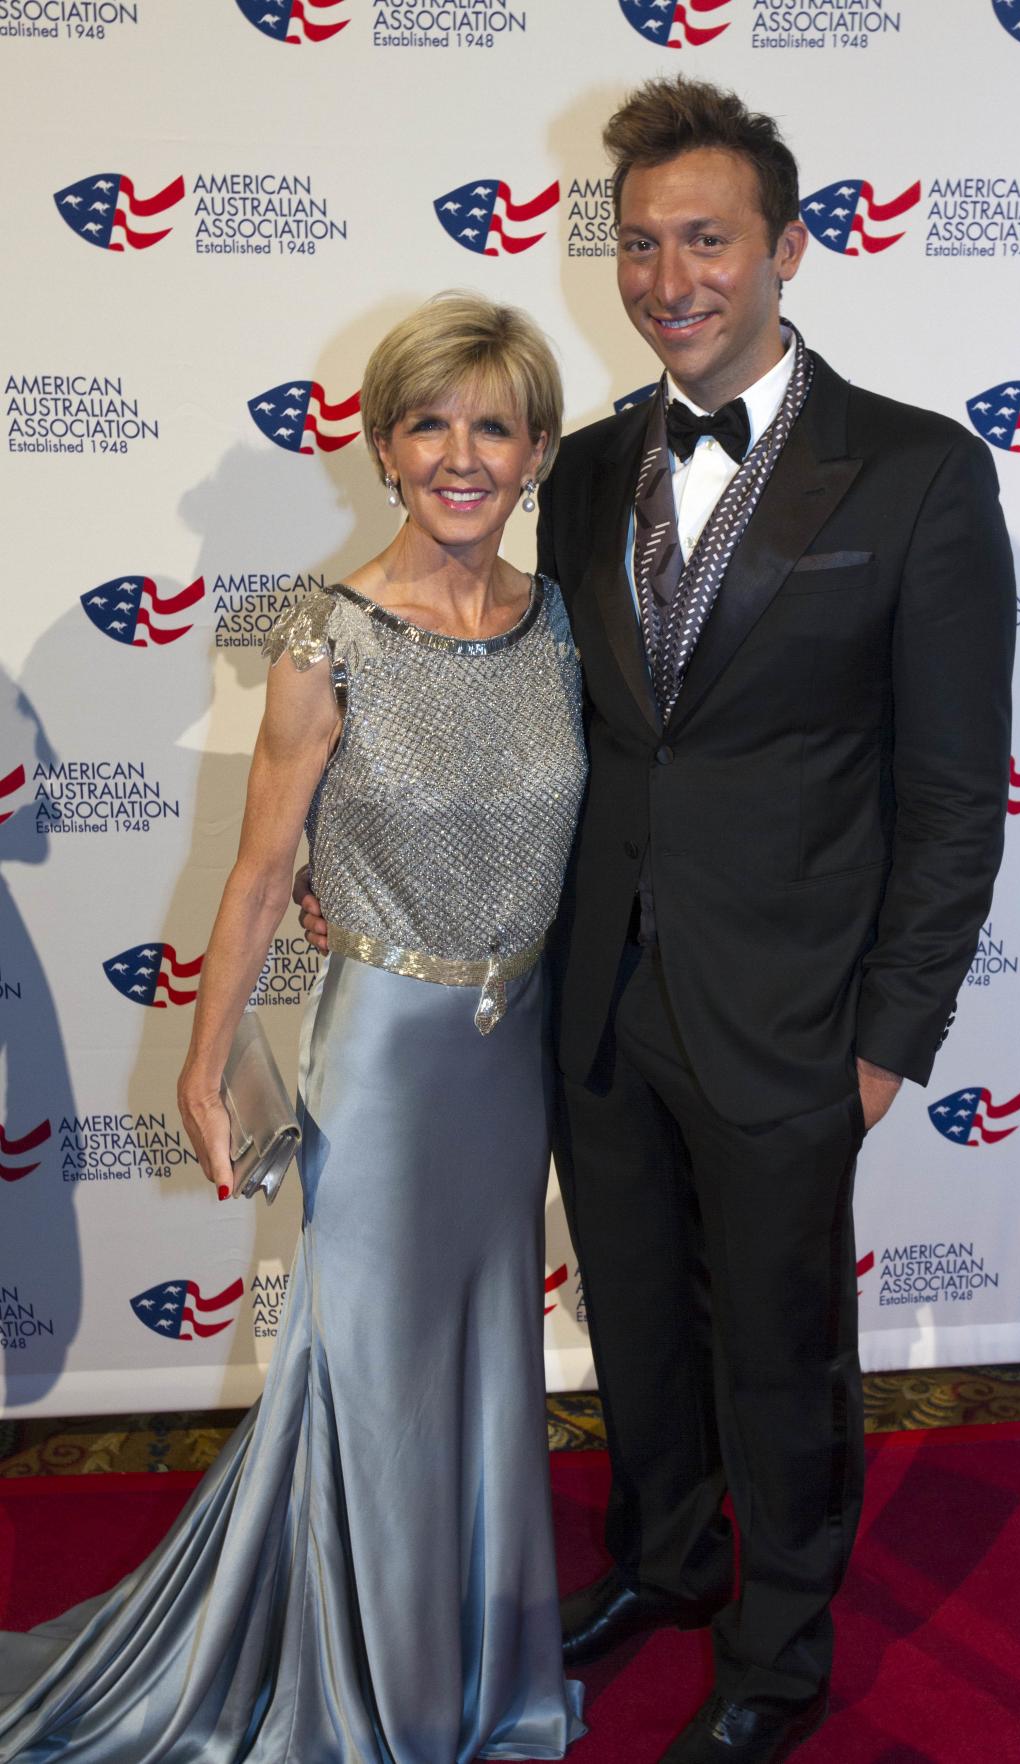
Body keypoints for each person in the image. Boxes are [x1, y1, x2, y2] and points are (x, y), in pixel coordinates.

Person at [297, 79, 1016, 1764]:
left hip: (793, 1016)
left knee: (779, 1345)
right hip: (595, 997)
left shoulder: (915, 472)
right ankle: (671, 1561)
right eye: (640, 243)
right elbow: (497, 673)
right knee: (633, 1312)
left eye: (707, 238)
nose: (669, 274)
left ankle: (779, 1648)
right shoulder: (593, 459)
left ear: (786, 247)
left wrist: (889, 1044)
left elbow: (953, 793)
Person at [0, 293, 588, 1764]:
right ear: (383, 446)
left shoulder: (561, 619)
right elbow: (265, 869)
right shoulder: (329, 641)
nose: (463, 456)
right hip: (385, 1058)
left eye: (494, 426)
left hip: (508, 1054)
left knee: (481, 1360)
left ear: (536, 452)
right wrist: (203, 1061)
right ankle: (363, 1694)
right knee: (372, 1367)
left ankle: (468, 1664)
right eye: (429, 424)